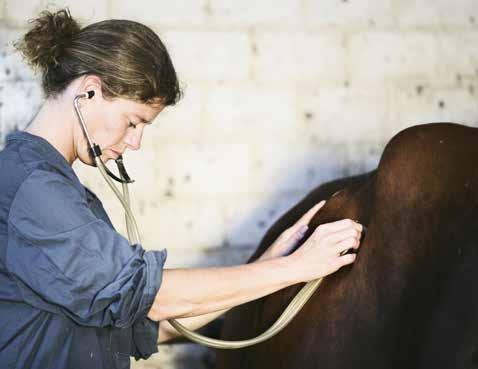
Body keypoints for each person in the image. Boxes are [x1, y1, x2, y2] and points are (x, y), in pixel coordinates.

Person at [0, 9, 363, 369]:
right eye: (133, 122)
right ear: (89, 91)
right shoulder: (32, 189)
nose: (136, 142)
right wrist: (297, 267)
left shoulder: (68, 195)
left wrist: (271, 264)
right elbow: (151, 299)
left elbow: (146, 325)